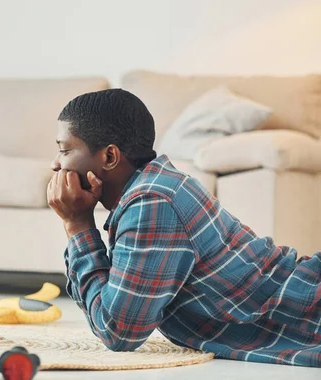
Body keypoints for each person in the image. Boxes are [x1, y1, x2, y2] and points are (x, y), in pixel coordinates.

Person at [47, 89, 321, 367]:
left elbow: (118, 330)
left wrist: (77, 225)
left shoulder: (151, 202)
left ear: (109, 157)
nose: (55, 163)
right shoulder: (156, 186)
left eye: (64, 149)